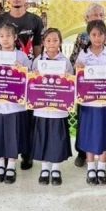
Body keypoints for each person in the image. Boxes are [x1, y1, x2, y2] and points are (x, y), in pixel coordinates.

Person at [0, 0, 44, 170]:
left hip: (26, 74)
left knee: (26, 117)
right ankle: (4, 154)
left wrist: (35, 74)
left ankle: (26, 154)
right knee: (5, 116)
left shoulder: (35, 20)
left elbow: (38, 49)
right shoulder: (0, 20)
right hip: (3, 79)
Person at [69, 3, 106, 168]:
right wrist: (78, 69)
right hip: (87, 95)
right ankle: (83, 154)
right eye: (95, 15)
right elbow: (74, 63)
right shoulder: (82, 41)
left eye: (101, 15)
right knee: (86, 125)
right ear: (87, 19)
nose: (97, 38)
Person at [0, 22, 31, 184]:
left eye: (8, 36)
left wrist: (22, 70)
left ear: (15, 37)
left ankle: (11, 164)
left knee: (13, 135)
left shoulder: (22, 56)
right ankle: (0, 163)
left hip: (15, 105)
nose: (5, 39)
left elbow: (30, 77)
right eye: (2, 36)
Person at [76, 20, 106, 186]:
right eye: (94, 34)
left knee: (105, 133)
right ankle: (90, 167)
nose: (97, 38)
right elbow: (77, 77)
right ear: (89, 36)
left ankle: (101, 167)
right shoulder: (83, 54)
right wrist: (78, 68)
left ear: (105, 35)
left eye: (100, 34)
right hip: (88, 104)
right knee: (89, 134)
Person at [31, 28, 73, 186]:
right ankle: (44, 168)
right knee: (42, 137)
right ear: (43, 42)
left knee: (56, 138)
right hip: (41, 108)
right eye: (48, 40)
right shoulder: (37, 60)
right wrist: (34, 76)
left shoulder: (65, 61)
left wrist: (68, 78)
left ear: (60, 42)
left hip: (58, 109)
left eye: (55, 40)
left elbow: (71, 83)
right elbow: (31, 82)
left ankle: (55, 168)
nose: (52, 43)